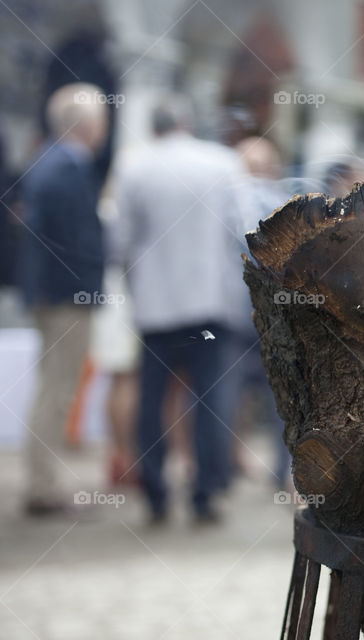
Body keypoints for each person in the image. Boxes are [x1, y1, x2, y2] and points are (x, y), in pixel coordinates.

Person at [111, 96, 246, 525]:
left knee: (152, 399)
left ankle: (155, 491)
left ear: (154, 127)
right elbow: (243, 232)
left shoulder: (134, 167)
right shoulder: (222, 164)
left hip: (156, 309)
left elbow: (119, 242)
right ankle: (205, 492)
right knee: (209, 400)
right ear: (188, 122)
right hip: (208, 307)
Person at [18, 83, 109, 516]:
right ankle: (42, 488)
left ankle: (43, 483)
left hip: (54, 294)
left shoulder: (50, 162)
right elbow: (74, 242)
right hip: (65, 298)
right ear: (87, 124)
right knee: (57, 391)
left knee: (53, 388)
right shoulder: (65, 168)